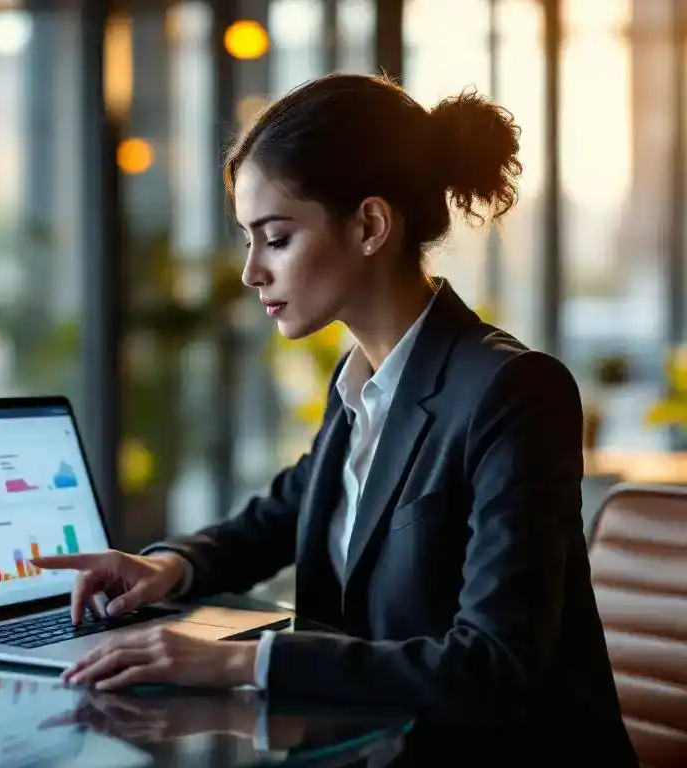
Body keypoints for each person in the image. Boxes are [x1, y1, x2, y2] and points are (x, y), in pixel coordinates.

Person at [32, 73, 636, 760]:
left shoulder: (514, 392)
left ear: (371, 225)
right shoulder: (363, 386)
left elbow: (491, 669)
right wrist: (170, 566)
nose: (251, 271)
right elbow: (286, 511)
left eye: (277, 238)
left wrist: (240, 661)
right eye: (248, 240)